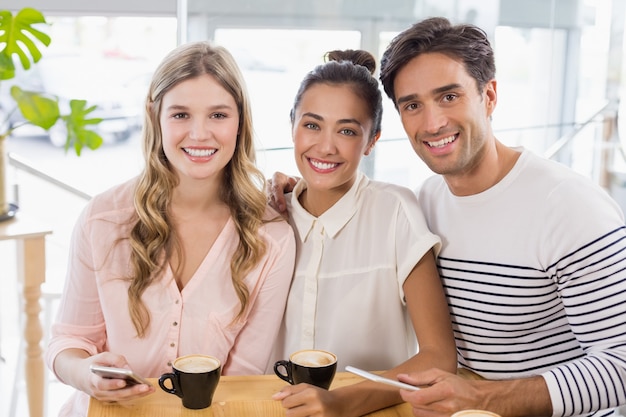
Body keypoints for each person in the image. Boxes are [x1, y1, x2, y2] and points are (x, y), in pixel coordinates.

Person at [269, 17, 626, 417]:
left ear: (489, 96)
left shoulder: (570, 208)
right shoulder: (427, 201)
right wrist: (300, 185)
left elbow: (623, 365)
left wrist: (486, 398)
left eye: (449, 97)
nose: (433, 122)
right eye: (413, 105)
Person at [45, 41, 296, 416]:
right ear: (155, 116)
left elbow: (241, 377)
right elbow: (69, 341)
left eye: (218, 115)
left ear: (240, 120)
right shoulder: (102, 220)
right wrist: (85, 372)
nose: (199, 134)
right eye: (180, 115)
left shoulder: (272, 239)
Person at [269, 49, 457, 417]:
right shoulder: (268, 213)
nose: (325, 146)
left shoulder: (396, 212)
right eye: (311, 125)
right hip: (271, 406)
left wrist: (343, 402)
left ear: (372, 140)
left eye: (347, 131)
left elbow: (439, 356)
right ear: (291, 124)